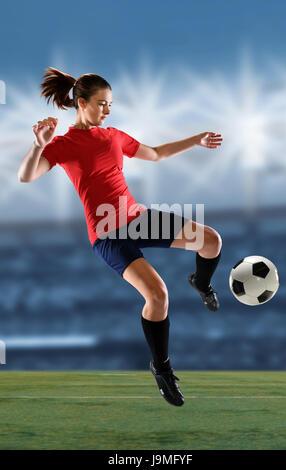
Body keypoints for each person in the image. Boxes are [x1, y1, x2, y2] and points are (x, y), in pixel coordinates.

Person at [17, 67, 223, 407]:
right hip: (108, 234)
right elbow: (27, 176)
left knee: (211, 240)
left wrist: (196, 140)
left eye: (110, 104)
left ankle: (201, 283)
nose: (108, 110)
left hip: (136, 218)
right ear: (81, 103)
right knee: (157, 296)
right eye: (102, 104)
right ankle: (162, 368)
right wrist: (38, 146)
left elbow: (155, 154)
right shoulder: (63, 145)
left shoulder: (114, 135)